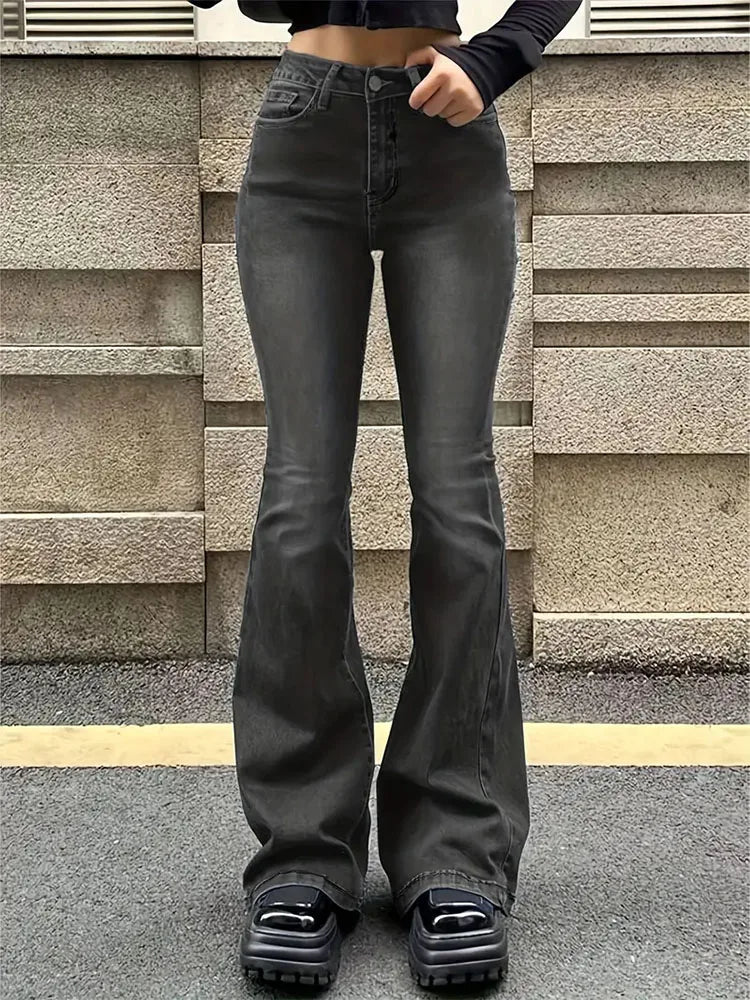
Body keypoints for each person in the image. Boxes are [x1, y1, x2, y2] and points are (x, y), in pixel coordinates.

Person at [189, 0, 581, 988]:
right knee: (299, 498)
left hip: (448, 134)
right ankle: (303, 852)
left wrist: (497, 58)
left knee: (456, 497)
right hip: (303, 130)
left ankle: (456, 852)